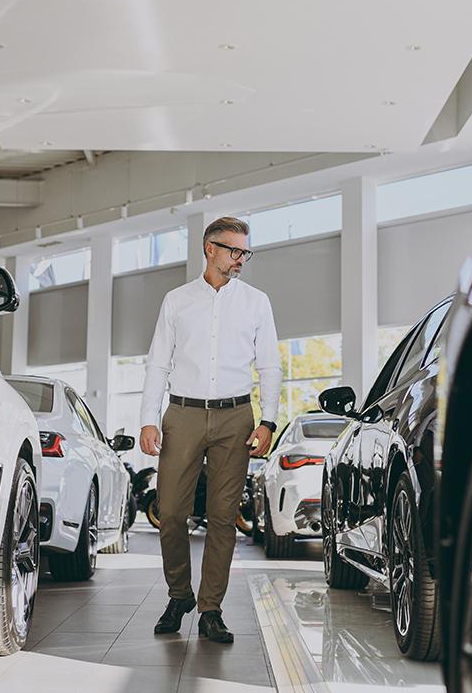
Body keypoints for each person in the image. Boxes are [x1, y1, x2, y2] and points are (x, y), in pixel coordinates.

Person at [139, 216, 282, 643]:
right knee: (171, 513)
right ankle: (179, 594)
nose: (240, 259)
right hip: (182, 414)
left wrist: (268, 420)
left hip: (235, 417)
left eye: (245, 252)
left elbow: (269, 365)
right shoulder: (177, 301)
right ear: (210, 249)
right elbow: (158, 363)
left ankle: (210, 609)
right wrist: (149, 417)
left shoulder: (257, 302)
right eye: (234, 251)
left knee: (222, 518)